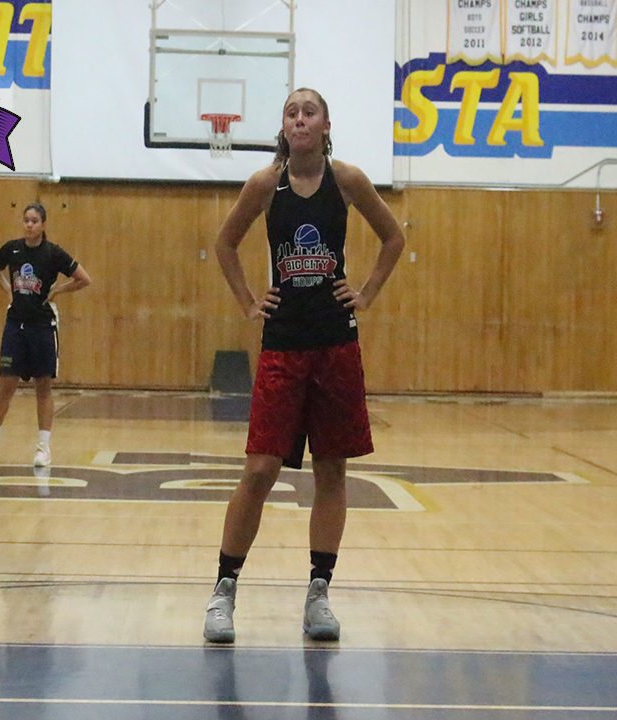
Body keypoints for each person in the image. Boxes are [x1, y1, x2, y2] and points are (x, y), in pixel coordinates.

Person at [203, 88, 405, 643]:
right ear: (284, 126)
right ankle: (223, 590)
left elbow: (394, 237)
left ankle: (319, 592)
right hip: (283, 345)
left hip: (336, 345)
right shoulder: (266, 185)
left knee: (332, 471)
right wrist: (248, 302)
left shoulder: (349, 181)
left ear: (325, 125)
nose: (298, 119)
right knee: (260, 471)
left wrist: (365, 293)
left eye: (308, 111)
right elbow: (225, 243)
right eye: (291, 111)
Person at [0, 202, 91, 467]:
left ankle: (43, 448)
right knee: (5, 386)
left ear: (43, 225)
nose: (29, 225)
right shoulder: (12, 249)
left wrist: (56, 291)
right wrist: (8, 289)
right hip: (15, 325)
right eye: (26, 220)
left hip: (42, 327)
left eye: (34, 221)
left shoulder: (53, 253)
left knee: (43, 386)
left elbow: (84, 278)